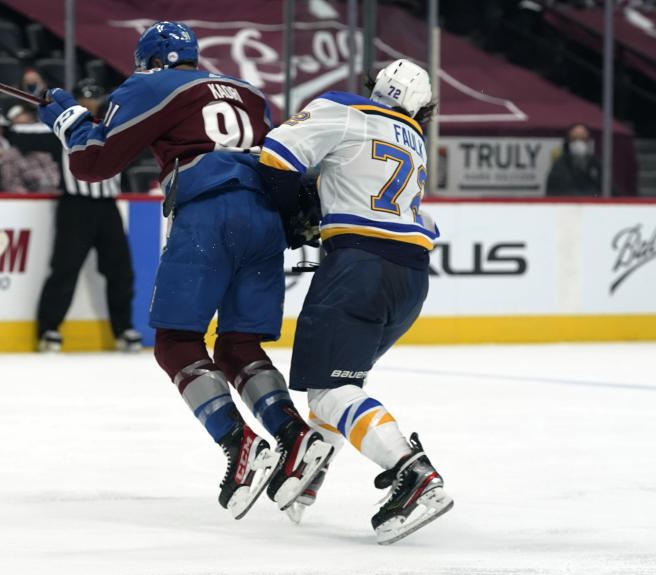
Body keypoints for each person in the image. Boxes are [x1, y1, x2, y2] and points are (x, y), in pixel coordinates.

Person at [36, 21, 333, 519]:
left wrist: (68, 119)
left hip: (207, 212)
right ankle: (292, 434)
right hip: (265, 221)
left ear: (152, 61)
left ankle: (238, 445)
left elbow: (95, 162)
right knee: (239, 346)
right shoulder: (251, 94)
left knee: (176, 342)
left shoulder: (151, 84)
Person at [256, 58, 454, 544]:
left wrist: (285, 220)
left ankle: (413, 472)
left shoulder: (346, 109)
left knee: (330, 390)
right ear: (420, 108)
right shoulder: (416, 141)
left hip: (358, 266)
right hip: (410, 277)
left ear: (373, 87)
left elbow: (277, 156)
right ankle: (308, 476)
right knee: (340, 385)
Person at [35, 78, 142, 354]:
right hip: (76, 206)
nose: (87, 103)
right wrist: (45, 98)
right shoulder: (68, 125)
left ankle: (123, 328)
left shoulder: (113, 126)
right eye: (83, 99)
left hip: (107, 206)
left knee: (120, 270)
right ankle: (48, 328)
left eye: (92, 99)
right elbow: (36, 121)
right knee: (65, 268)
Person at [545, 123, 603, 197]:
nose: (579, 143)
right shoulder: (559, 166)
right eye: (574, 139)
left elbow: (610, 190)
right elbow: (552, 192)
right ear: (568, 141)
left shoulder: (595, 164)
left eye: (583, 139)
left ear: (588, 141)